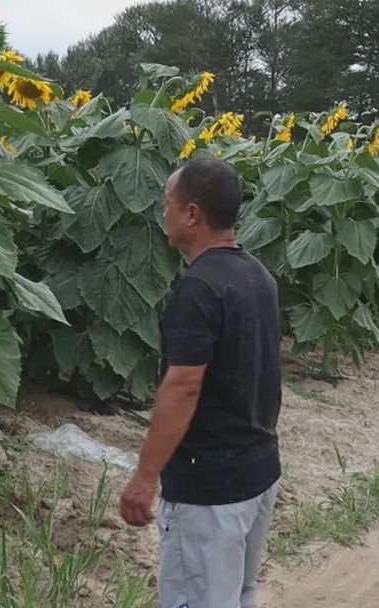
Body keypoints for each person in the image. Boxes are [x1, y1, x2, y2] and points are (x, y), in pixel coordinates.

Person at [119, 157, 283, 608]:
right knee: (238, 594)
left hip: (210, 487)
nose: (162, 214)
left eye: (166, 204)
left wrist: (144, 477)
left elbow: (183, 386)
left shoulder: (199, 288)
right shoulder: (258, 276)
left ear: (192, 213)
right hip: (258, 469)